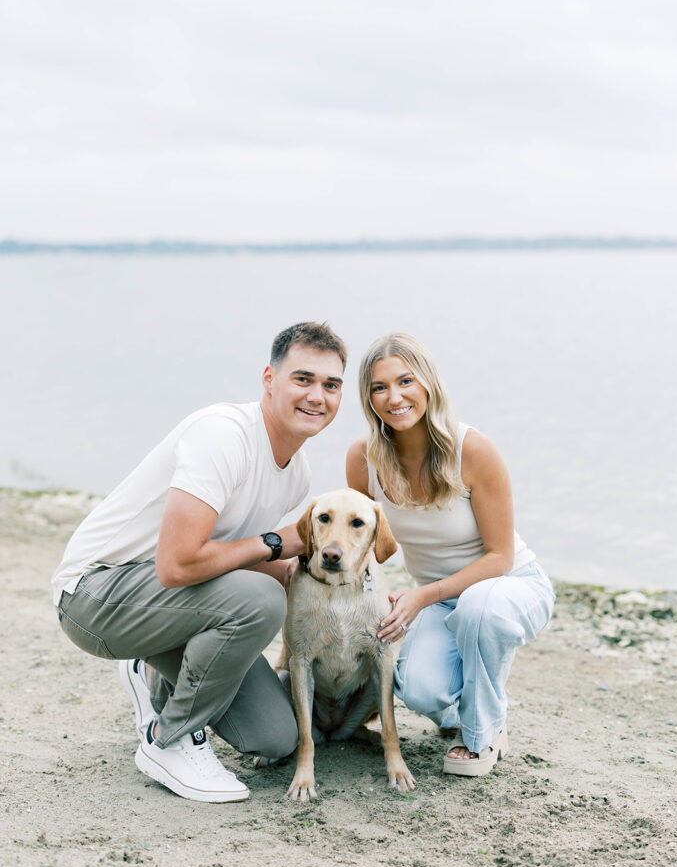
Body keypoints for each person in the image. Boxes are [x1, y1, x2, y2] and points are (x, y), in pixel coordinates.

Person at [52, 321, 346, 802]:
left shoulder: (297, 474)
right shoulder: (223, 435)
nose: (318, 395)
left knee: (276, 737)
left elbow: (234, 554)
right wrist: (278, 542)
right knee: (260, 599)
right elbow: (178, 566)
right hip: (94, 596)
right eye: (303, 379)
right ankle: (168, 740)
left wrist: (328, 580)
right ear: (269, 380)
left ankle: (152, 674)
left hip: (169, 604)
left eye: (331, 385)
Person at [346, 333, 554, 777]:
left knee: (481, 608)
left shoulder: (473, 450)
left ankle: (482, 734)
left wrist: (420, 596)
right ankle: (473, 694)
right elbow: (360, 546)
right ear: (368, 398)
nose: (394, 396)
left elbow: (499, 558)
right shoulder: (363, 459)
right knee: (419, 689)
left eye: (405, 381)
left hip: (511, 585)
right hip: (441, 600)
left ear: (428, 384)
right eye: (379, 387)